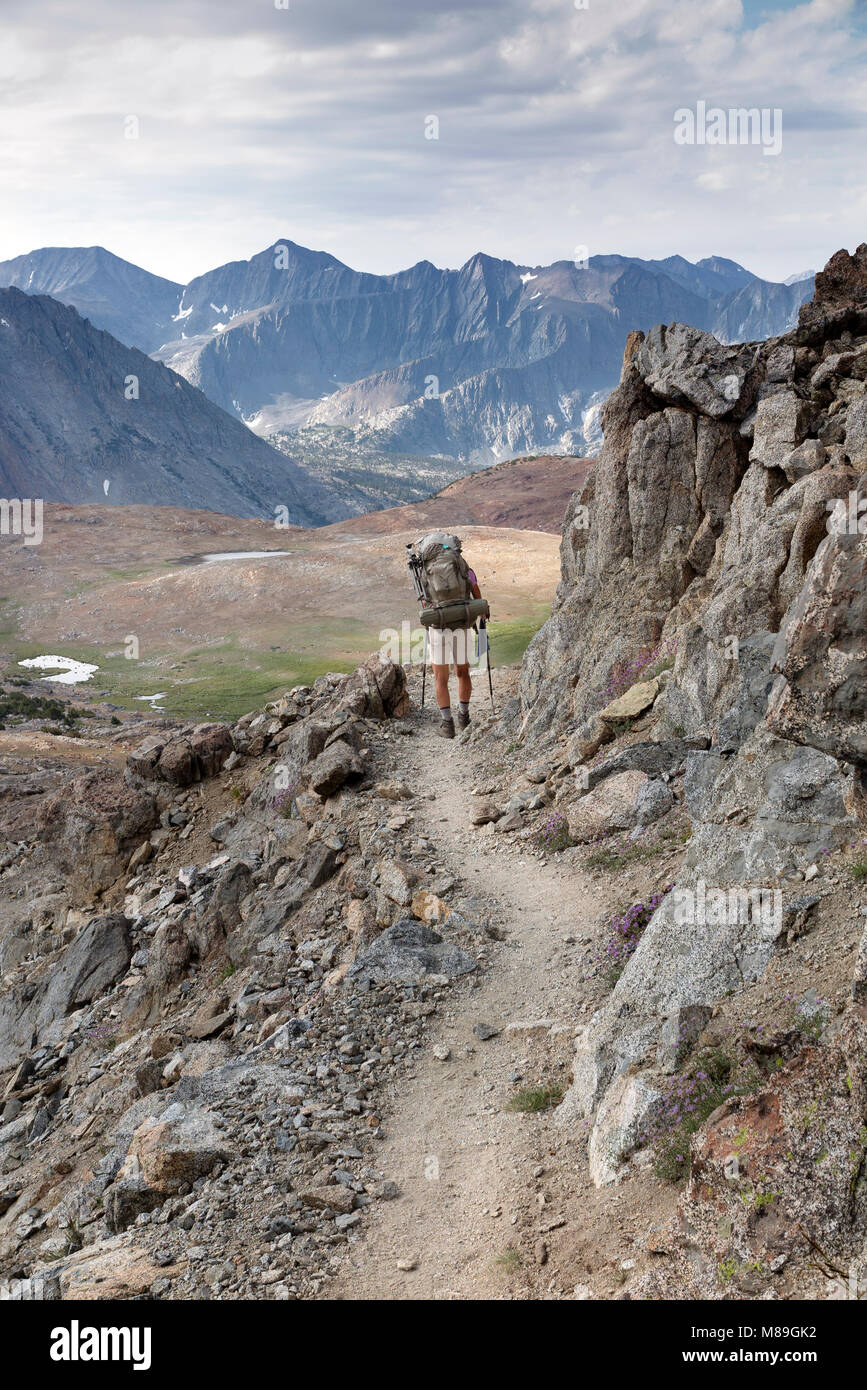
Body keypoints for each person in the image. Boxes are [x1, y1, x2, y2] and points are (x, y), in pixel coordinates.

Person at [427, 563, 485, 738]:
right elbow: (476, 593)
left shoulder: (426, 571)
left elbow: (424, 601)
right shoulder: (464, 568)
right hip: (462, 626)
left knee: (440, 678)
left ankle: (447, 725)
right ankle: (464, 717)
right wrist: (482, 616)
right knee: (463, 672)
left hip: (438, 628)